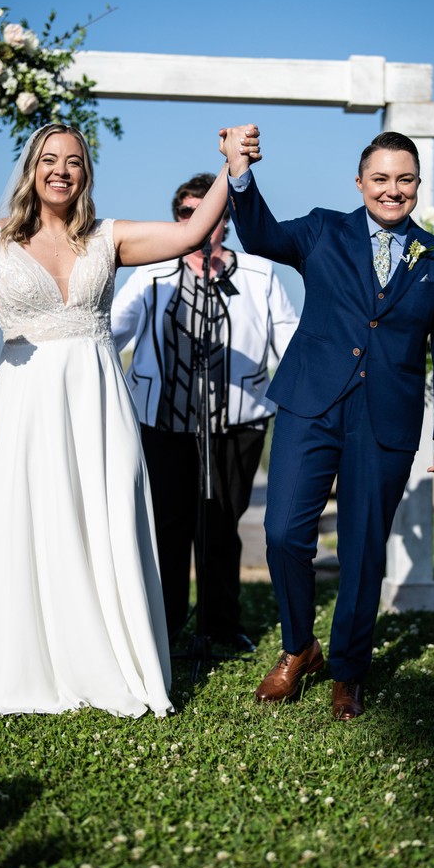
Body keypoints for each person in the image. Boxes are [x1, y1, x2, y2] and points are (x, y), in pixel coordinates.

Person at [0, 122, 260, 721]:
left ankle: (109, 657)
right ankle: (29, 658)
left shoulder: (109, 237)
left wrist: (233, 167)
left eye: (73, 161)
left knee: (107, 517)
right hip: (30, 403)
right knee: (34, 520)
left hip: (100, 403)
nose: (61, 170)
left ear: (85, 173)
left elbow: (192, 230)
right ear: (31, 169)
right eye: (49, 159)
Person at [219, 126, 434, 719]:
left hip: (386, 419)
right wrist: (239, 174)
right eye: (380, 179)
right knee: (282, 533)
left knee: (362, 550)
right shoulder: (322, 229)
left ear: (416, 184)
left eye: (403, 179)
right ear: (360, 183)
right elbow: (259, 235)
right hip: (311, 404)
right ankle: (299, 646)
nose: (392, 189)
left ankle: (349, 671)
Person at [111, 173, 298, 651]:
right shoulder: (149, 273)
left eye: (206, 213)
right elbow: (110, 333)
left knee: (221, 526)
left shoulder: (260, 274)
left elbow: (291, 344)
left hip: (238, 424)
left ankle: (221, 625)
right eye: (186, 214)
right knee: (168, 528)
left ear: (224, 220)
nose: (196, 223)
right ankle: (166, 625)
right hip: (163, 423)